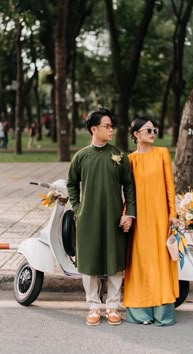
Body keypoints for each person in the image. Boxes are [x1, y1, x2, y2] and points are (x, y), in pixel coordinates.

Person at [67, 107, 136, 326]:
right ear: (93, 128)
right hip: (88, 218)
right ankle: (94, 306)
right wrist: (78, 208)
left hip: (114, 217)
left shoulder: (118, 155)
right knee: (90, 261)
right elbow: (71, 184)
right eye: (106, 126)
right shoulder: (81, 157)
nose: (111, 129)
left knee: (115, 262)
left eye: (111, 126)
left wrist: (130, 214)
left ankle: (113, 306)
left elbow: (129, 186)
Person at [123, 117, 179, 326]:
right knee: (140, 263)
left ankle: (163, 313)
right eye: (148, 130)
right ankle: (140, 313)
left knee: (160, 263)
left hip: (160, 217)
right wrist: (126, 214)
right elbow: (127, 192)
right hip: (139, 219)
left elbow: (169, 186)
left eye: (154, 129)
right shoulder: (129, 160)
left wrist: (173, 214)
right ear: (136, 134)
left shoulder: (162, 153)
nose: (152, 133)